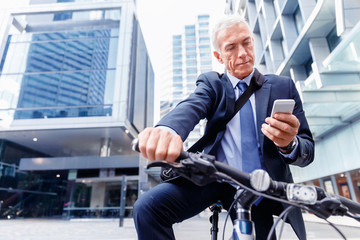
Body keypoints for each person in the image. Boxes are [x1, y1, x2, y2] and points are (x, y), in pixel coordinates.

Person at [133, 14, 314, 240]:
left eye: (246, 42)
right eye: (231, 47)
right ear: (219, 56)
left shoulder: (282, 86)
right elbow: (192, 105)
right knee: (148, 208)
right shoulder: (212, 84)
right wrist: (167, 130)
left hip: (260, 188)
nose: (243, 53)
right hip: (216, 180)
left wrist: (289, 145)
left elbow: (307, 152)